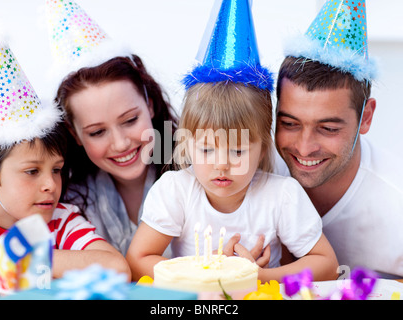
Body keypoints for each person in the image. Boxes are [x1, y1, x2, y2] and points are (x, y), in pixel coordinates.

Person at [126, 0, 338, 282]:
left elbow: (326, 265)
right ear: (186, 144)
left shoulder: (281, 196)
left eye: (237, 149)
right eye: (206, 149)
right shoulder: (176, 192)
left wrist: (258, 275)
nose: (222, 164)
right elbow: (138, 259)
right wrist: (208, 276)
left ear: (263, 146)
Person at [0, 39, 130, 296]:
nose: (50, 185)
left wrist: (36, 259)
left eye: (56, 170)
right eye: (32, 171)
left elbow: (116, 267)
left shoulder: (61, 220)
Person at [275, 0, 403, 278]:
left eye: (328, 128)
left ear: (366, 117)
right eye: (289, 123)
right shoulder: (248, 173)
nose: (304, 147)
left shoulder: (397, 206)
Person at [49, 0, 178, 256]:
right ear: (74, 133)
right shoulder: (67, 203)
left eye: (130, 120)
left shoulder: (201, 173)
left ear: (149, 106)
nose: (120, 144)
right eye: (97, 132)